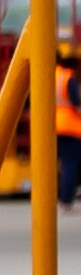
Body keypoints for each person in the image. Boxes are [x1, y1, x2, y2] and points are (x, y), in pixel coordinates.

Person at [58, 39, 81, 210]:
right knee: (71, 163)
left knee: (63, 163)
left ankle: (63, 196)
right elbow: (77, 104)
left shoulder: (50, 75)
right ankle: (66, 199)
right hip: (71, 127)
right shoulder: (68, 78)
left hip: (53, 125)